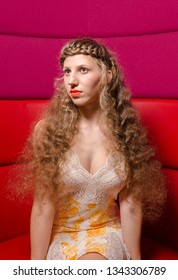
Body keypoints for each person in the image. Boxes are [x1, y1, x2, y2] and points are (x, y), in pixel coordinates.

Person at [29, 38, 166, 260]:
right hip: (63, 236)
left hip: (107, 233)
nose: (72, 81)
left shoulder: (126, 131)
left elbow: (130, 204)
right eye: (67, 72)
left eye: (83, 70)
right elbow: (43, 205)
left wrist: (137, 267)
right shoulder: (47, 131)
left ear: (107, 75)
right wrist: (35, 269)